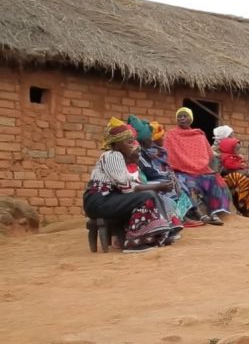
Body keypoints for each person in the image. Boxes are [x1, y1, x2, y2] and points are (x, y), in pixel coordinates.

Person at [84, 117, 176, 251]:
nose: (132, 146)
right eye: (128, 143)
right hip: (98, 201)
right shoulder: (113, 155)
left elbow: (131, 183)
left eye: (132, 142)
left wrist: (156, 187)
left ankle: (157, 234)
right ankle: (134, 242)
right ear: (116, 144)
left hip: (106, 199)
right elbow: (127, 188)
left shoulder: (120, 159)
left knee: (149, 194)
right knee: (147, 195)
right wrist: (158, 187)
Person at [164, 107, 230, 225]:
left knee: (214, 180)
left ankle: (214, 213)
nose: (182, 118)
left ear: (191, 119)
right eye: (179, 116)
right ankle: (197, 214)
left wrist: (198, 165)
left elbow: (209, 154)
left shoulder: (199, 136)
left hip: (200, 170)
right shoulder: (170, 135)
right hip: (180, 170)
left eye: (185, 116)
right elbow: (167, 155)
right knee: (181, 182)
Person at [129, 116, 198, 226]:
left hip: (145, 180)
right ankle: (178, 218)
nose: (151, 140)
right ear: (142, 140)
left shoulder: (144, 151)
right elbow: (149, 171)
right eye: (149, 138)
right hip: (141, 182)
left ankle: (182, 216)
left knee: (174, 183)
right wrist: (165, 175)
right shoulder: (139, 153)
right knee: (169, 184)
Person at [219, 137, 249, 217]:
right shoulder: (225, 156)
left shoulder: (236, 156)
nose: (238, 151)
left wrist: (242, 162)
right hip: (226, 179)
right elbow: (229, 166)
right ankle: (241, 203)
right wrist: (240, 165)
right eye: (236, 149)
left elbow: (243, 165)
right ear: (230, 148)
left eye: (239, 149)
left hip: (237, 177)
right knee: (245, 175)